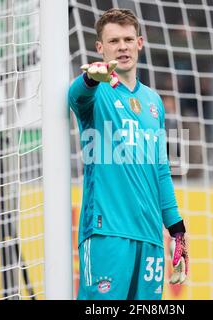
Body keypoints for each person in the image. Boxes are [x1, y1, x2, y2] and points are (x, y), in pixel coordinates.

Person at [68, 8, 189, 300]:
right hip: (107, 232)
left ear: (139, 43)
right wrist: (90, 80)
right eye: (113, 41)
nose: (121, 46)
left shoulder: (154, 102)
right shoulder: (96, 93)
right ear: (100, 47)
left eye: (127, 39)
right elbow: (75, 96)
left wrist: (177, 232)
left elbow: (161, 170)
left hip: (150, 237)